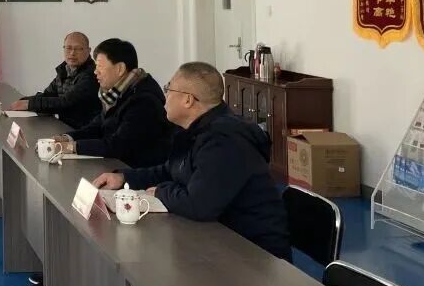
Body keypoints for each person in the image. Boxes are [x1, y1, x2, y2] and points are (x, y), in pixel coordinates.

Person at [93, 61, 291, 260]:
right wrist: (124, 178)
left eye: (169, 89)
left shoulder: (224, 140)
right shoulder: (195, 130)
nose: (165, 96)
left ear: (188, 100)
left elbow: (199, 205)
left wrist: (160, 191)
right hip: (219, 238)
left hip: (253, 253)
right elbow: (171, 170)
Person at [50, 38, 173, 167]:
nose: (95, 71)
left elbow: (118, 146)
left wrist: (70, 147)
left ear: (120, 69)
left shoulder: (144, 101)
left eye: (100, 66)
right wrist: (65, 138)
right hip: (116, 166)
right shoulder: (115, 93)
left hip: (136, 172)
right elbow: (97, 128)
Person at [6, 32, 101, 128]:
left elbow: (66, 102)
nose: (72, 53)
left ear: (88, 51)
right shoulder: (64, 70)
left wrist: (29, 104)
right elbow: (48, 95)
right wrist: (22, 101)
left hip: (83, 131)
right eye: (68, 48)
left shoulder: (92, 74)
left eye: (78, 49)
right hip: (63, 126)